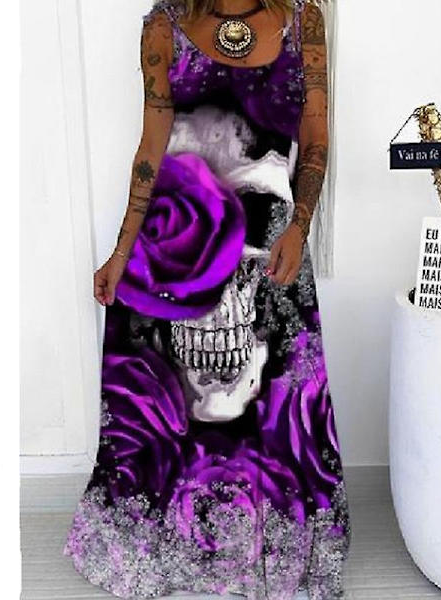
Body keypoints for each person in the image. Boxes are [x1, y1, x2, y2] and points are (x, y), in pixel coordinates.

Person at [64, 1, 351, 598]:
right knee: (167, 409)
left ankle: (268, 543)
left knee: (274, 403)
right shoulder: (163, 28)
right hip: (173, 257)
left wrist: (300, 225)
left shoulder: (303, 22)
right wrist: (122, 250)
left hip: (269, 252)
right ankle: (178, 543)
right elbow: (151, 151)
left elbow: (316, 135)